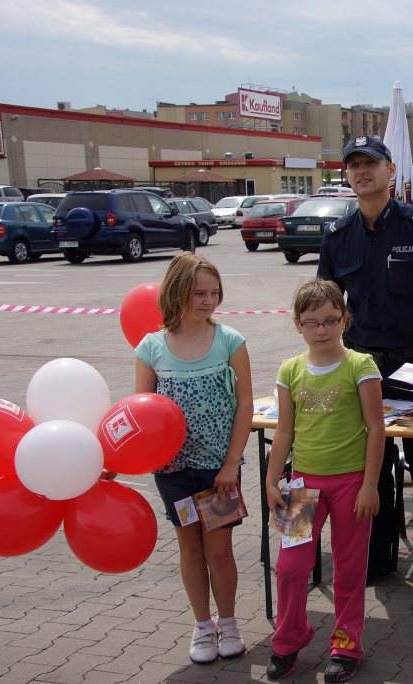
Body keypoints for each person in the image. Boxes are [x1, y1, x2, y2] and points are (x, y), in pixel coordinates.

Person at [316, 135, 413, 603]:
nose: (362, 171)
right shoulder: (338, 236)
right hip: (362, 367)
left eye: (371, 163)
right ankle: (379, 558)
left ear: (390, 168)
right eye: (354, 165)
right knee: (372, 472)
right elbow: (326, 306)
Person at [134, 253, 253, 665]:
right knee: (190, 548)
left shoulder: (230, 341)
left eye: (214, 292)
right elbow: (140, 413)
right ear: (177, 292)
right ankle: (203, 626)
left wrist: (232, 464)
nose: (208, 300)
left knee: (219, 549)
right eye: (199, 292)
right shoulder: (151, 347)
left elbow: (245, 404)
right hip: (174, 473)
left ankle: (229, 621)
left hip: (219, 473)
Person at [264, 279, 384, 682]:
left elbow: (375, 428)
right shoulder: (290, 369)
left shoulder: (360, 365)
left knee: (349, 568)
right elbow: (284, 431)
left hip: (352, 484)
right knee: (289, 567)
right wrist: (270, 481)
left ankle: (346, 644)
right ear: (298, 324)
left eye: (331, 321)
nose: (322, 330)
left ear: (344, 320)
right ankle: (289, 637)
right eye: (312, 323)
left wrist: (370, 485)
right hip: (301, 485)